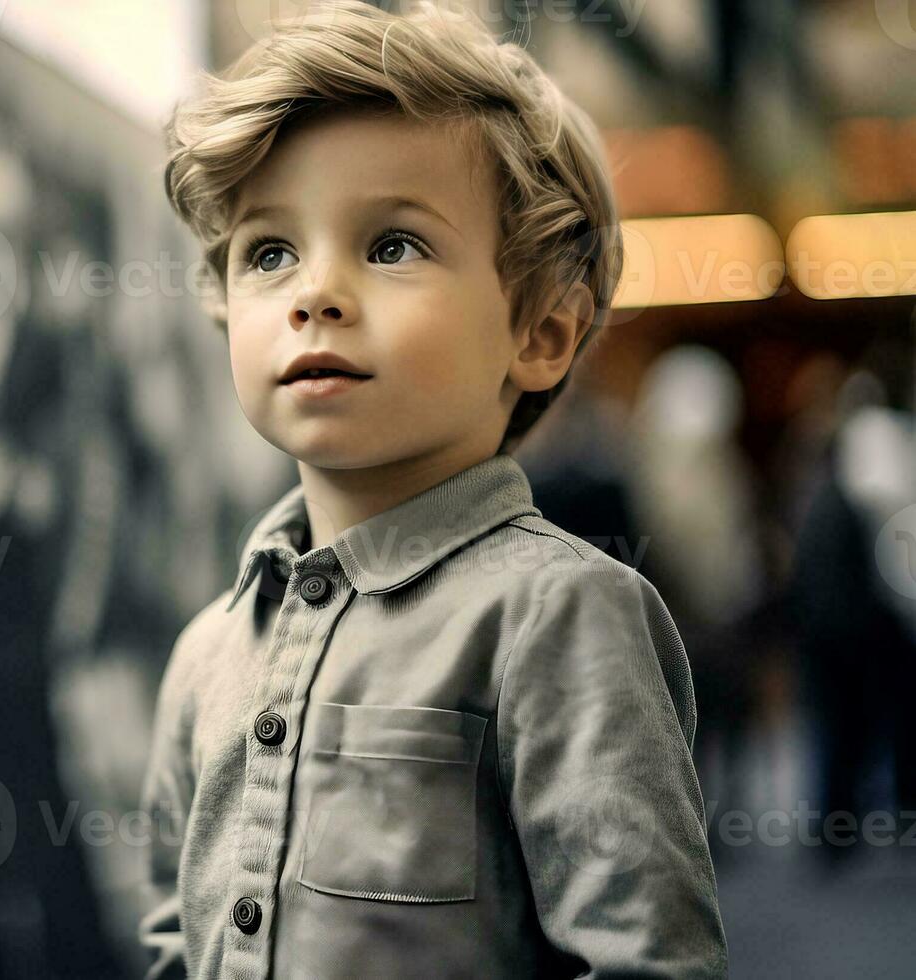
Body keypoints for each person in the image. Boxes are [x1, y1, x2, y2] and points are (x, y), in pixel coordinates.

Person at [139, 5, 727, 977]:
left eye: (393, 245)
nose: (312, 292)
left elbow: (646, 960)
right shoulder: (206, 653)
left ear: (539, 332)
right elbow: (175, 933)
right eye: (269, 251)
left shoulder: (558, 615)